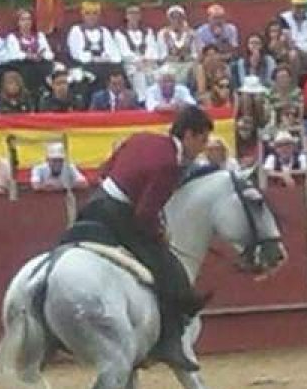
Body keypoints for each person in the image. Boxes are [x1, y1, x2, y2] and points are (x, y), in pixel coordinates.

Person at [74, 106, 214, 370]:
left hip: (93, 206)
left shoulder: (141, 137)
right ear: (188, 135)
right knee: (170, 271)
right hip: (119, 215)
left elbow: (104, 170)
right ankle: (170, 344)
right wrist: (159, 235)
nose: (203, 147)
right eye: (202, 139)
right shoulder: (170, 164)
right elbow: (145, 214)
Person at [114, 5, 163, 101]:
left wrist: (147, 59)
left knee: (158, 74)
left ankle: (157, 99)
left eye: (136, 13)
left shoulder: (148, 31)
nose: (134, 16)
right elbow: (124, 51)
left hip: (149, 63)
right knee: (139, 74)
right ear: (126, 16)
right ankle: (142, 100)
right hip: (132, 64)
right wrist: (138, 61)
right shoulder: (119, 33)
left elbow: (152, 47)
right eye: (131, 13)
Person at [66, 1, 122, 67]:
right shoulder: (76, 30)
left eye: (95, 13)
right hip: (84, 66)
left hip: (105, 65)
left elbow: (114, 53)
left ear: (99, 16)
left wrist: (105, 58)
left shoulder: (104, 31)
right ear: (82, 16)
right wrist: (92, 58)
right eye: (87, 13)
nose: (91, 17)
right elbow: (75, 53)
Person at [158, 5, 196, 83]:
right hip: (170, 63)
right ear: (169, 19)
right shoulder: (163, 33)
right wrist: (175, 59)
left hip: (188, 64)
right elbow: (162, 55)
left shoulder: (191, 33)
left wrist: (188, 59)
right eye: (174, 18)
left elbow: (195, 53)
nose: (177, 20)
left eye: (179, 17)